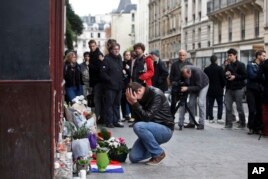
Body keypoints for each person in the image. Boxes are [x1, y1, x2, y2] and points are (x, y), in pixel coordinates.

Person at [126, 82, 174, 165]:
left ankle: (159, 154)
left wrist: (135, 103)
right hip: (151, 129)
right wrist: (133, 104)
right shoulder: (140, 97)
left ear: (139, 90)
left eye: (132, 96)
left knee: (138, 126)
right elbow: (137, 119)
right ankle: (153, 147)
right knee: (133, 157)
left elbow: (147, 117)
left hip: (165, 129)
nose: (133, 99)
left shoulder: (156, 94)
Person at [100, 43, 124, 128]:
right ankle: (109, 122)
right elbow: (103, 73)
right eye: (115, 49)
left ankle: (116, 121)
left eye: (118, 49)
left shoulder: (120, 58)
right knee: (109, 104)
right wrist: (110, 80)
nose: (116, 50)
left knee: (117, 104)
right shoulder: (107, 59)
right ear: (111, 50)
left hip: (119, 86)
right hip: (110, 87)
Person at [179, 65, 209, 130]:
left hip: (203, 85)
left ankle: (201, 123)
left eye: (186, 77)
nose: (186, 78)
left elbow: (199, 87)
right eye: (184, 77)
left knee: (201, 103)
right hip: (193, 86)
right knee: (191, 103)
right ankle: (192, 122)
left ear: (189, 73)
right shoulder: (184, 71)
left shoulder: (197, 73)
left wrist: (187, 88)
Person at [224, 48, 247, 129]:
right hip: (229, 88)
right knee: (228, 107)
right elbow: (225, 76)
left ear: (235, 56)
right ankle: (228, 124)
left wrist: (235, 76)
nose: (229, 57)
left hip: (238, 88)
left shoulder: (241, 65)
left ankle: (242, 124)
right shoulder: (227, 65)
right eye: (228, 55)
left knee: (239, 107)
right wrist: (227, 76)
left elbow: (244, 76)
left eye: (230, 55)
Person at [246, 50, 266, 134]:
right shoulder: (250, 64)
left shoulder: (264, 65)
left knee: (259, 109)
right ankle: (251, 127)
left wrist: (259, 76)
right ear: (258, 56)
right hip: (251, 89)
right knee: (252, 109)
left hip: (260, 90)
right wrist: (260, 76)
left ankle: (258, 127)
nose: (264, 57)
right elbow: (251, 76)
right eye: (263, 56)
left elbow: (265, 77)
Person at [169, 49, 192, 117]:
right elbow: (171, 76)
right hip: (175, 86)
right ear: (178, 55)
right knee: (173, 103)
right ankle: (171, 118)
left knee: (183, 104)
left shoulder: (189, 64)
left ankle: (181, 120)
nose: (182, 57)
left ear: (186, 56)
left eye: (183, 55)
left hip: (185, 86)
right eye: (180, 55)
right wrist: (173, 82)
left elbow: (191, 77)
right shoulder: (174, 64)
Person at [204, 55, 225, 122]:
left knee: (210, 104)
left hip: (210, 90)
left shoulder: (206, 69)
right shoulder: (220, 68)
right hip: (219, 89)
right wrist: (223, 86)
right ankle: (219, 118)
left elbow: (205, 80)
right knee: (220, 104)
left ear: (211, 60)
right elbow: (223, 80)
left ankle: (211, 117)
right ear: (216, 60)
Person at [88, 39, 104, 121]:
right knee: (95, 99)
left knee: (97, 99)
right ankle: (98, 116)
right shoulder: (91, 54)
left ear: (96, 45)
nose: (91, 48)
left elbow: (99, 68)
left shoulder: (98, 54)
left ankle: (98, 117)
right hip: (94, 81)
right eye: (90, 46)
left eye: (93, 46)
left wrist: (89, 65)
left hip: (98, 80)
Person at [121, 50, 132, 122]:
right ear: (124, 56)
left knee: (129, 100)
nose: (127, 56)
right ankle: (125, 115)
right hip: (122, 84)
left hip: (129, 84)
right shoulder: (121, 63)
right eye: (126, 55)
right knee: (122, 100)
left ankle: (131, 115)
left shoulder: (132, 63)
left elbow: (132, 75)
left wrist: (128, 69)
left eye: (129, 55)